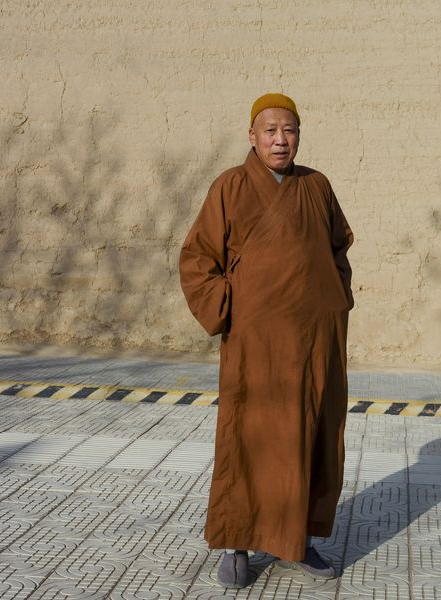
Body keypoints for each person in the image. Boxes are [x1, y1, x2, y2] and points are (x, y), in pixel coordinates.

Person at [178, 93, 354, 588]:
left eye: (290, 130)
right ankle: (236, 541)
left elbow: (338, 247)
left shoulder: (316, 186)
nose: (281, 140)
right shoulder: (230, 187)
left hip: (315, 340)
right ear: (251, 137)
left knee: (311, 434)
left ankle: (299, 540)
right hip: (256, 343)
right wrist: (231, 309)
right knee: (252, 436)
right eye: (270, 130)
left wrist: (334, 302)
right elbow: (197, 259)